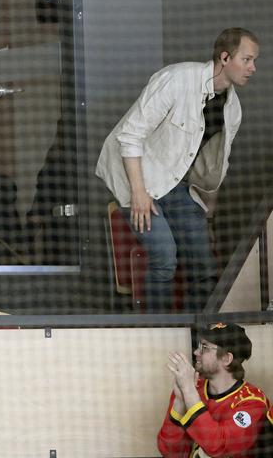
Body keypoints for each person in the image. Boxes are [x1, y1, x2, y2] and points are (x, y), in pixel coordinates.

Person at [96, 28, 260, 312]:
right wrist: (139, 194)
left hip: (174, 183)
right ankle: (156, 332)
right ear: (224, 57)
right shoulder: (176, 79)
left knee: (205, 266)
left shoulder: (232, 109)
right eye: (246, 59)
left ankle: (194, 337)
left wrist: (208, 213)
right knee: (164, 257)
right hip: (134, 178)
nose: (252, 68)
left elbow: (215, 164)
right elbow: (129, 136)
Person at [158, 322, 269, 457]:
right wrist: (180, 402)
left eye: (204, 347)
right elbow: (169, 451)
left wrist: (189, 393)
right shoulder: (193, 387)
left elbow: (218, 447)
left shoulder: (252, 402)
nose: (196, 352)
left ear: (227, 359)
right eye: (199, 346)